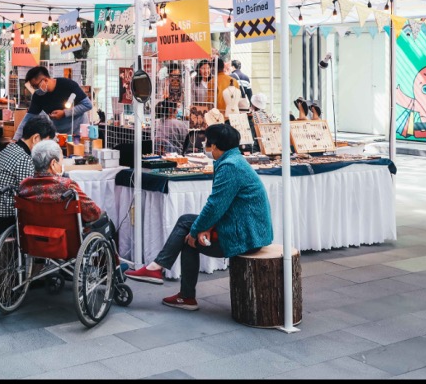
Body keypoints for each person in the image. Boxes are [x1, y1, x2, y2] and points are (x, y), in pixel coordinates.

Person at [124, 123, 273, 311]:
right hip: (247, 229)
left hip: (246, 235)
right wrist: (204, 228)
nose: (205, 147)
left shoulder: (230, 166)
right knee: (188, 236)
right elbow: (223, 205)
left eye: (207, 143)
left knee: (187, 225)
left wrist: (196, 230)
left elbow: (215, 205)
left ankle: (159, 270)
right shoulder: (235, 160)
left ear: (216, 146)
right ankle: (182, 293)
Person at [0, 116, 57, 235]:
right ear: (36, 138)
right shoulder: (24, 158)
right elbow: (29, 194)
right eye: (46, 143)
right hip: (5, 220)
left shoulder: (12, 148)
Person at [14, 66, 93, 140]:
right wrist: (15, 139)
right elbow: (27, 119)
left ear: (45, 80)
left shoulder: (68, 85)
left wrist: (65, 113)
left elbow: (88, 105)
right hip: (58, 133)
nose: (36, 89)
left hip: (78, 130)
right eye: (33, 87)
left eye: (36, 86)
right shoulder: (38, 96)